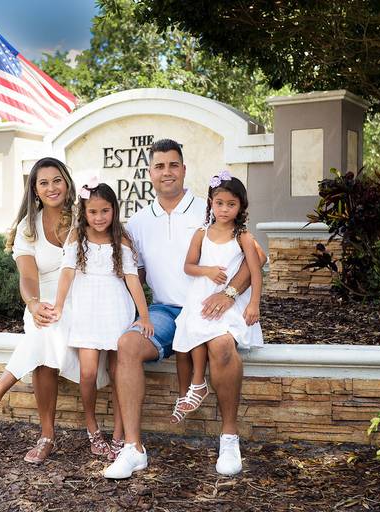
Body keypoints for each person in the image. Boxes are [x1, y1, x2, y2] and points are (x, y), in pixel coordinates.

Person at [103, 139, 265, 479]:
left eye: (173, 165)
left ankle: (229, 439)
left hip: (211, 307)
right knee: (127, 344)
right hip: (165, 311)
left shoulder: (213, 208)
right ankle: (133, 449)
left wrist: (231, 293)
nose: (167, 172)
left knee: (222, 347)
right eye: (159, 166)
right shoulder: (138, 222)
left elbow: (257, 258)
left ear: (184, 169)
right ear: (150, 173)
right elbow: (135, 275)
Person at [0, 157, 106, 464]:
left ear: (67, 183)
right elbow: (28, 278)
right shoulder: (28, 227)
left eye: (57, 180)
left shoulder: (85, 214)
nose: (52, 188)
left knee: (44, 337)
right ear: (35, 190)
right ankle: (48, 434)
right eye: (44, 183)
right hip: (43, 299)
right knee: (45, 327)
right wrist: (33, 304)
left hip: (85, 297)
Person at [53, 180, 154, 460]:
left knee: (118, 373)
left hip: (116, 308)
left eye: (105, 211)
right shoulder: (77, 236)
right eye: (93, 212)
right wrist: (59, 305)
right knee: (87, 373)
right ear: (84, 213)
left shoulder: (121, 238)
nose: (99, 218)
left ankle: (120, 435)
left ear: (114, 210)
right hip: (86, 309)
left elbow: (132, 279)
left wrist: (144, 316)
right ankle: (93, 429)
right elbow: (66, 273)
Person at [169, 172, 263, 426]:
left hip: (229, 302)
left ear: (241, 206)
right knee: (189, 330)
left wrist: (254, 303)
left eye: (231, 204)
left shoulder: (242, 236)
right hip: (201, 294)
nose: (224, 209)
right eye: (219, 203)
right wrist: (207, 271)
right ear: (211, 202)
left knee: (205, 329)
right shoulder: (201, 233)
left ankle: (198, 384)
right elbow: (188, 266)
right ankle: (195, 385)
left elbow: (255, 271)